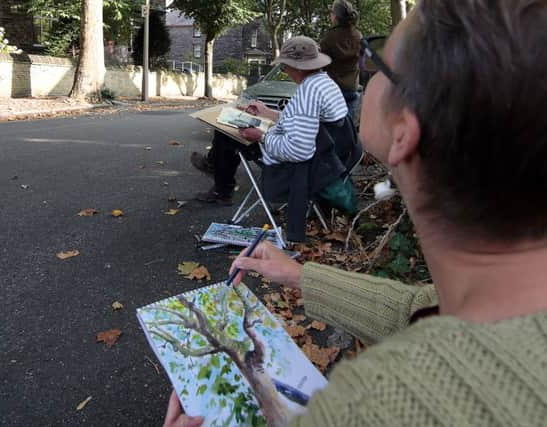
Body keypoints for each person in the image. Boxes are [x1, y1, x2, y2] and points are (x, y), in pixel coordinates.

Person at [166, 0, 547, 425]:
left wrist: (262, 136)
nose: (360, 75)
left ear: (404, 130)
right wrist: (299, 275)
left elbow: (297, 146)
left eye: (375, 61)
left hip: (300, 171)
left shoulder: (369, 407)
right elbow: (425, 309)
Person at [190, 36, 348, 206]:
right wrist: (266, 112)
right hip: (325, 158)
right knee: (229, 131)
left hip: (300, 165)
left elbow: (298, 151)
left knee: (226, 132)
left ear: (298, 67)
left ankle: (221, 189)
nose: (285, 71)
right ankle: (217, 174)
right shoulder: (324, 83)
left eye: (284, 66)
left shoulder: (308, 93)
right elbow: (302, 121)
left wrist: (261, 137)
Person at [320, 0, 362, 117]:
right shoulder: (358, 34)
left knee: (333, 128)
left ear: (336, 16)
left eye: (331, 13)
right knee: (349, 128)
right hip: (352, 88)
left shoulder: (330, 36)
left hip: (333, 91)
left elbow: (321, 63)